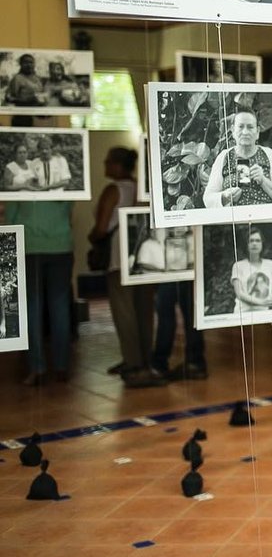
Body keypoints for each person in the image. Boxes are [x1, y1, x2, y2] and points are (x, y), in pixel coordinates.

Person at [6, 130, 74, 386]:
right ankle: (62, 366)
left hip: (30, 247)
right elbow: (69, 208)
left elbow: (11, 215)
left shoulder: (24, 175)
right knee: (59, 306)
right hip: (61, 245)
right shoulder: (59, 172)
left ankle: (37, 367)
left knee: (33, 308)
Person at [91, 147, 162, 388]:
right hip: (142, 255)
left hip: (119, 257)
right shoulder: (140, 188)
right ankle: (144, 360)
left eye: (109, 161)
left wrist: (93, 238)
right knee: (144, 310)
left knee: (124, 312)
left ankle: (133, 363)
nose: (105, 163)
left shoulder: (113, 190)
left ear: (119, 165)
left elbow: (101, 227)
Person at [202, 110, 272, 208]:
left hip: (263, 217)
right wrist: (225, 196)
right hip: (234, 220)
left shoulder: (268, 154)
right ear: (233, 130)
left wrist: (263, 181)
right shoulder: (224, 156)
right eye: (240, 127)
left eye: (250, 127)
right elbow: (208, 199)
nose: (245, 132)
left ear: (257, 132)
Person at [150, 281, 208, 382]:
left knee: (166, 312)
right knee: (190, 312)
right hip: (190, 271)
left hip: (169, 271)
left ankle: (159, 363)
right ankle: (195, 361)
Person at [231, 227, 272, 312]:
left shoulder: (270, 264)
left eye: (258, 241)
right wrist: (262, 302)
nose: (254, 244)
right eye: (251, 241)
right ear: (246, 245)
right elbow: (239, 293)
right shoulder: (238, 266)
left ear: (262, 244)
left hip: (264, 313)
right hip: (243, 313)